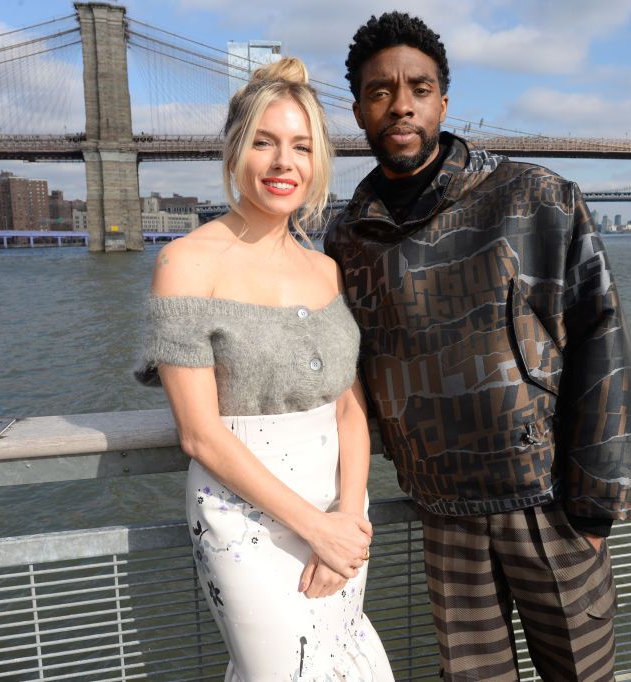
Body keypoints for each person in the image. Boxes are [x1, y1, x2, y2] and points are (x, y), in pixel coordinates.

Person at [324, 13, 631, 682]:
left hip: (549, 503)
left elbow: (601, 340)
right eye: (381, 91)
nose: (402, 103)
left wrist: (595, 509)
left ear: (444, 99)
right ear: (358, 109)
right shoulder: (348, 236)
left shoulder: (536, 196)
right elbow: (338, 372)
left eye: (420, 86)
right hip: (441, 512)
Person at [136, 57, 394, 681]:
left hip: (337, 510)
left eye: (302, 147)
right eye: (264, 143)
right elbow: (199, 433)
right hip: (242, 516)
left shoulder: (324, 269)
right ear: (233, 152)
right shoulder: (186, 263)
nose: (284, 163)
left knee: (344, 663)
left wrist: (350, 518)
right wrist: (317, 529)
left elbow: (349, 406)